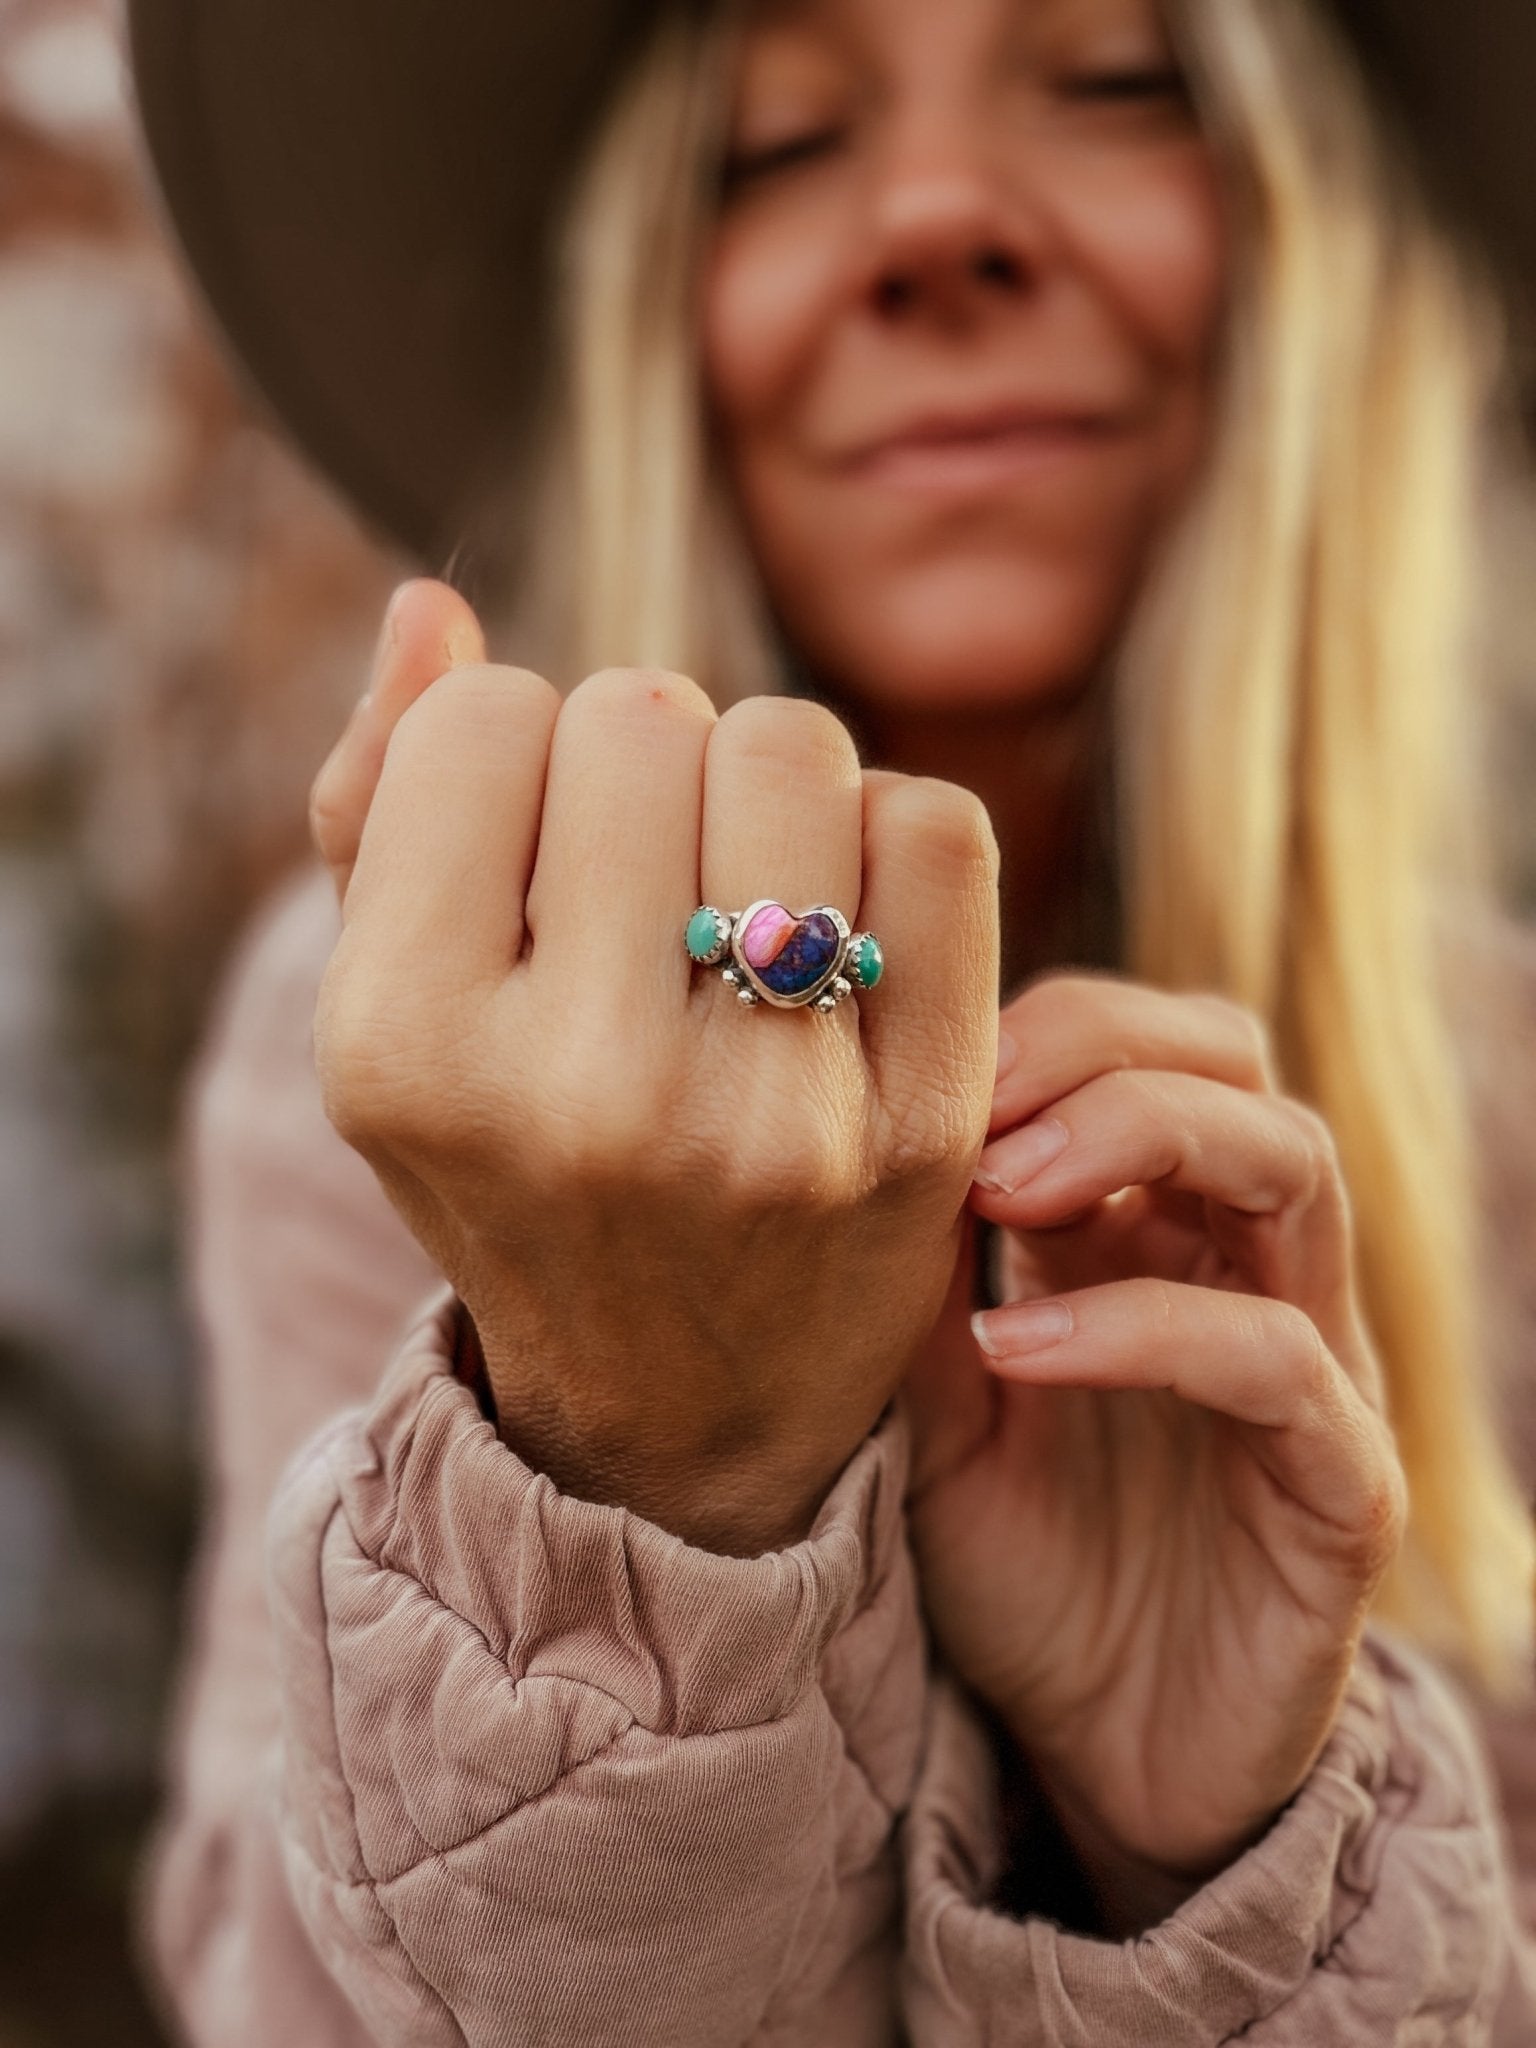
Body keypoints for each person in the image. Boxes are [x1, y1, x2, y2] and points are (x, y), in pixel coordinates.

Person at [124, 0, 1536, 2039]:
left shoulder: (1509, 1113)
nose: (941, 217)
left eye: (1117, 86)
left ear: (1318, 255)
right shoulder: (371, 1052)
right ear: (651, 325)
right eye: (780, 146)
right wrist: (621, 1504)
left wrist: (1207, 1851)